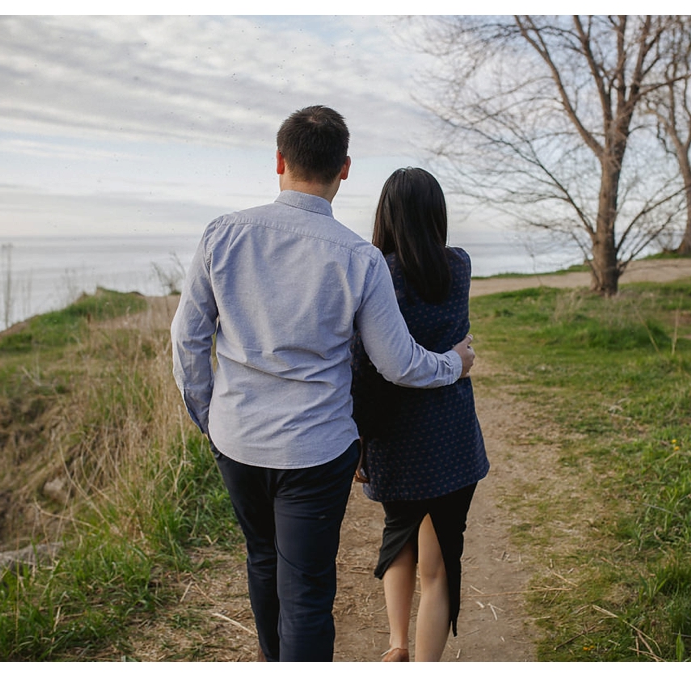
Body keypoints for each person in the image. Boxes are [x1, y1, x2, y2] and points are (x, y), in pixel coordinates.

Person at [170, 106, 476, 662]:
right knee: (307, 590)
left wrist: (211, 420)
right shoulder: (359, 257)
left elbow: (187, 342)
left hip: (238, 441)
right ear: (346, 168)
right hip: (315, 450)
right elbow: (399, 364)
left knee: (262, 561)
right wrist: (455, 363)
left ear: (280, 161)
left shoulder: (223, 234)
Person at [351, 167, 490, 662]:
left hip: (396, 436)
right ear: (437, 215)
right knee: (439, 563)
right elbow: (458, 346)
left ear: (386, 215)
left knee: (398, 534)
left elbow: (365, 365)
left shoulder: (377, 273)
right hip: (452, 437)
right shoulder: (460, 266)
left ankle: (397, 645)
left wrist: (358, 439)